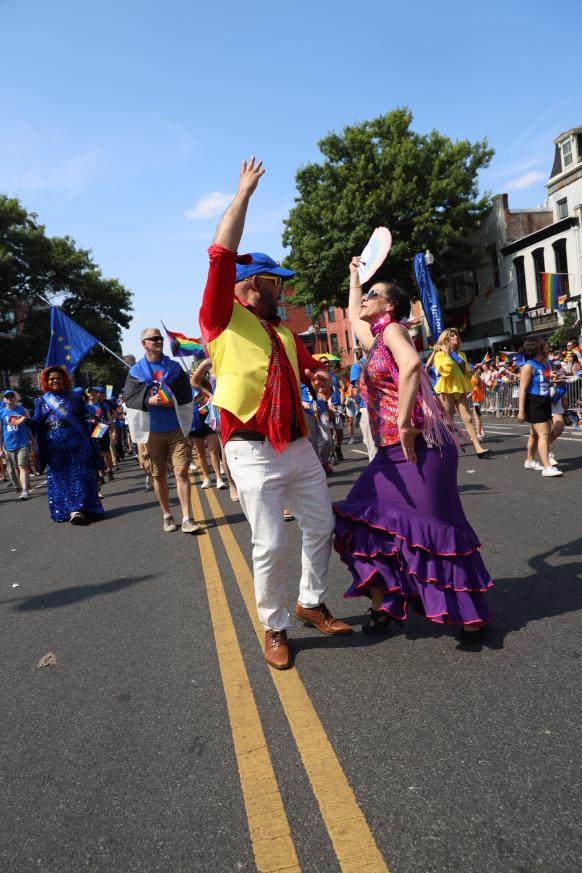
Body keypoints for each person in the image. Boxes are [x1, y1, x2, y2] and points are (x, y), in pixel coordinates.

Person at [199, 156, 351, 670]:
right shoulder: (220, 319)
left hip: (298, 446)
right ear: (249, 283)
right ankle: (274, 625)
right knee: (269, 545)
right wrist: (241, 195)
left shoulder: (283, 331)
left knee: (321, 525)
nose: (282, 289)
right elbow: (221, 253)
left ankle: (310, 602)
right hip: (250, 449)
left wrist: (317, 375)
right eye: (274, 281)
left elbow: (306, 366)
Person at [333, 257, 493, 645]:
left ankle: (470, 615)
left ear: (390, 307)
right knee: (361, 521)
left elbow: (412, 366)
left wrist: (405, 423)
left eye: (374, 294)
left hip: (420, 447)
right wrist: (355, 277)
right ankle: (385, 604)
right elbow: (353, 317)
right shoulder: (374, 342)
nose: (366, 299)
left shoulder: (392, 333)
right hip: (390, 455)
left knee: (439, 529)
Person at [123, 329, 201, 533]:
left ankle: (187, 517)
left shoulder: (174, 368)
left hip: (175, 429)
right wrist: (149, 400)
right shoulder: (136, 372)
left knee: (181, 470)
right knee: (158, 476)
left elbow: (186, 395)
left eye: (160, 338)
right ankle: (167, 515)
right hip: (150, 432)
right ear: (144, 344)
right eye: (154, 339)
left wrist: (171, 401)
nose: (158, 341)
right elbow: (130, 401)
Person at [31, 366, 104, 523]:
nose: (55, 381)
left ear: (65, 380)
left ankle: (82, 508)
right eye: (51, 379)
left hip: (77, 441)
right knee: (61, 478)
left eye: (58, 378)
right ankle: (73, 510)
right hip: (54, 446)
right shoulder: (41, 401)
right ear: (46, 382)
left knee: (81, 475)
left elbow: (86, 416)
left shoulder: (75, 396)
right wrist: (26, 421)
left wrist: (96, 426)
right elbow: (37, 423)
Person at [433, 329, 491, 458]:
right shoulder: (439, 355)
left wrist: (473, 369)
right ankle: (444, 449)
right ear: (446, 339)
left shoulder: (461, 354)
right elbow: (445, 372)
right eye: (452, 335)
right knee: (448, 421)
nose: (456, 337)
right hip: (447, 388)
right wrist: (447, 355)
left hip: (460, 387)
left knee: (468, 418)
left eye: (456, 335)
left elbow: (465, 374)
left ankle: (479, 448)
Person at [518, 340, 563, 477]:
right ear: (536, 350)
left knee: (534, 434)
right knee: (543, 434)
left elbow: (544, 383)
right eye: (544, 349)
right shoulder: (528, 366)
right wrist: (521, 411)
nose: (547, 351)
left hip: (544, 400)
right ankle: (547, 467)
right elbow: (522, 390)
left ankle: (530, 460)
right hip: (534, 402)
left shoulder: (542, 364)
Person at [189, 359, 227, 490]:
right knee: (200, 453)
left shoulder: (209, 385)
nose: (196, 377)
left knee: (213, 450)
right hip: (194, 422)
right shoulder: (189, 388)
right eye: (193, 374)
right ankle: (206, 478)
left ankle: (218, 478)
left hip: (209, 420)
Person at [0, 389, 31, 499]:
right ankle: (23, 485)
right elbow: (0, 431)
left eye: (12, 396)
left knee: (22, 466)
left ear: (15, 397)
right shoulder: (1, 412)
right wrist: (0, 449)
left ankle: (25, 491)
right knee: (16, 468)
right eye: (7, 397)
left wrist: (24, 419)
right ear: (4, 399)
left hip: (22, 443)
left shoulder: (22, 409)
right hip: (8, 445)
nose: (10, 398)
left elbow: (31, 424)